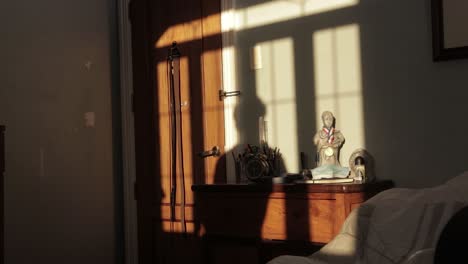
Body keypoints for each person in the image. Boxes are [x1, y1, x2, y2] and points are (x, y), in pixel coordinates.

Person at [311, 111, 349, 179]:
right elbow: (315, 141)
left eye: (331, 119)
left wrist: (336, 143)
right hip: (323, 163)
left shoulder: (337, 133)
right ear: (323, 120)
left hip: (335, 163)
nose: (329, 121)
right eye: (326, 119)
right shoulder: (319, 134)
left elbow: (342, 139)